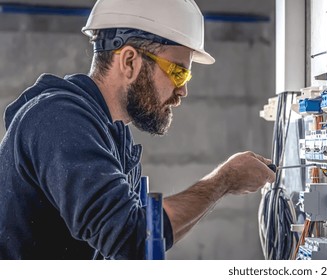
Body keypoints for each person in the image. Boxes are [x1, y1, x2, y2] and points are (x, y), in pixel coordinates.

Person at [0, 0, 274, 259]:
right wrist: (223, 181)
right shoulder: (59, 120)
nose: (183, 90)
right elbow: (131, 237)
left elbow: (142, 243)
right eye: (178, 72)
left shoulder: (112, 135)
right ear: (129, 61)